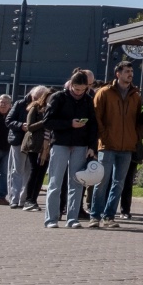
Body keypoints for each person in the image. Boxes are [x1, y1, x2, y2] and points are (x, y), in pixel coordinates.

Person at [90, 60, 143, 228]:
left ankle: (109, 216)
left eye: (131, 71)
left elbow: (138, 121)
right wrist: (103, 136)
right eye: (127, 71)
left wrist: (135, 137)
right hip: (107, 145)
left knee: (119, 183)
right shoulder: (104, 93)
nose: (130, 74)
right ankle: (95, 216)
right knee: (102, 181)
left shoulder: (135, 95)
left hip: (127, 146)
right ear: (117, 73)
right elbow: (96, 117)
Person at [42, 70, 97, 230]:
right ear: (70, 85)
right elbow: (47, 121)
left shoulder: (88, 100)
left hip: (80, 145)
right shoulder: (58, 97)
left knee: (77, 182)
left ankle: (72, 218)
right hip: (60, 143)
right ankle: (51, 218)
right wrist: (69, 123)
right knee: (55, 182)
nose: (79, 93)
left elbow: (93, 125)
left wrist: (92, 147)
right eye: (76, 89)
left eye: (82, 90)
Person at [9, 86, 50, 209]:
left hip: (43, 144)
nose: (36, 99)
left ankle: (26, 199)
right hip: (26, 142)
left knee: (32, 172)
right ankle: (15, 199)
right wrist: (21, 125)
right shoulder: (23, 105)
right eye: (35, 97)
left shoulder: (48, 109)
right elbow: (9, 120)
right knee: (19, 170)